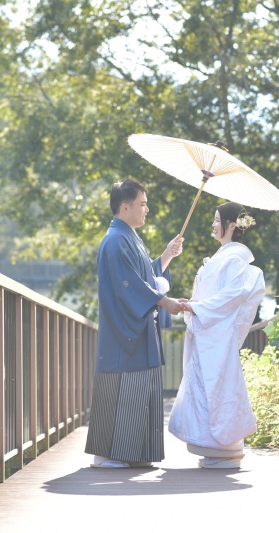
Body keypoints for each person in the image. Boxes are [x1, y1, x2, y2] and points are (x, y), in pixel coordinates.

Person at [85, 179, 185, 468]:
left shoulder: (127, 237)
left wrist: (166, 255)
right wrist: (165, 301)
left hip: (136, 328)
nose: (147, 209)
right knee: (123, 387)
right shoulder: (116, 240)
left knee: (138, 389)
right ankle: (110, 454)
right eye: (142, 204)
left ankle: (134, 453)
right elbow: (129, 286)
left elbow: (144, 277)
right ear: (125, 206)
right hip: (123, 333)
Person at [168, 201, 265, 469]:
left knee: (217, 385)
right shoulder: (226, 256)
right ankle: (215, 449)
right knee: (206, 385)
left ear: (232, 226)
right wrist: (194, 304)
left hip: (217, 332)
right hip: (208, 330)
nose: (212, 225)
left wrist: (198, 307)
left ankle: (226, 448)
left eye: (216, 220)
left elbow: (231, 297)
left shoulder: (234, 258)